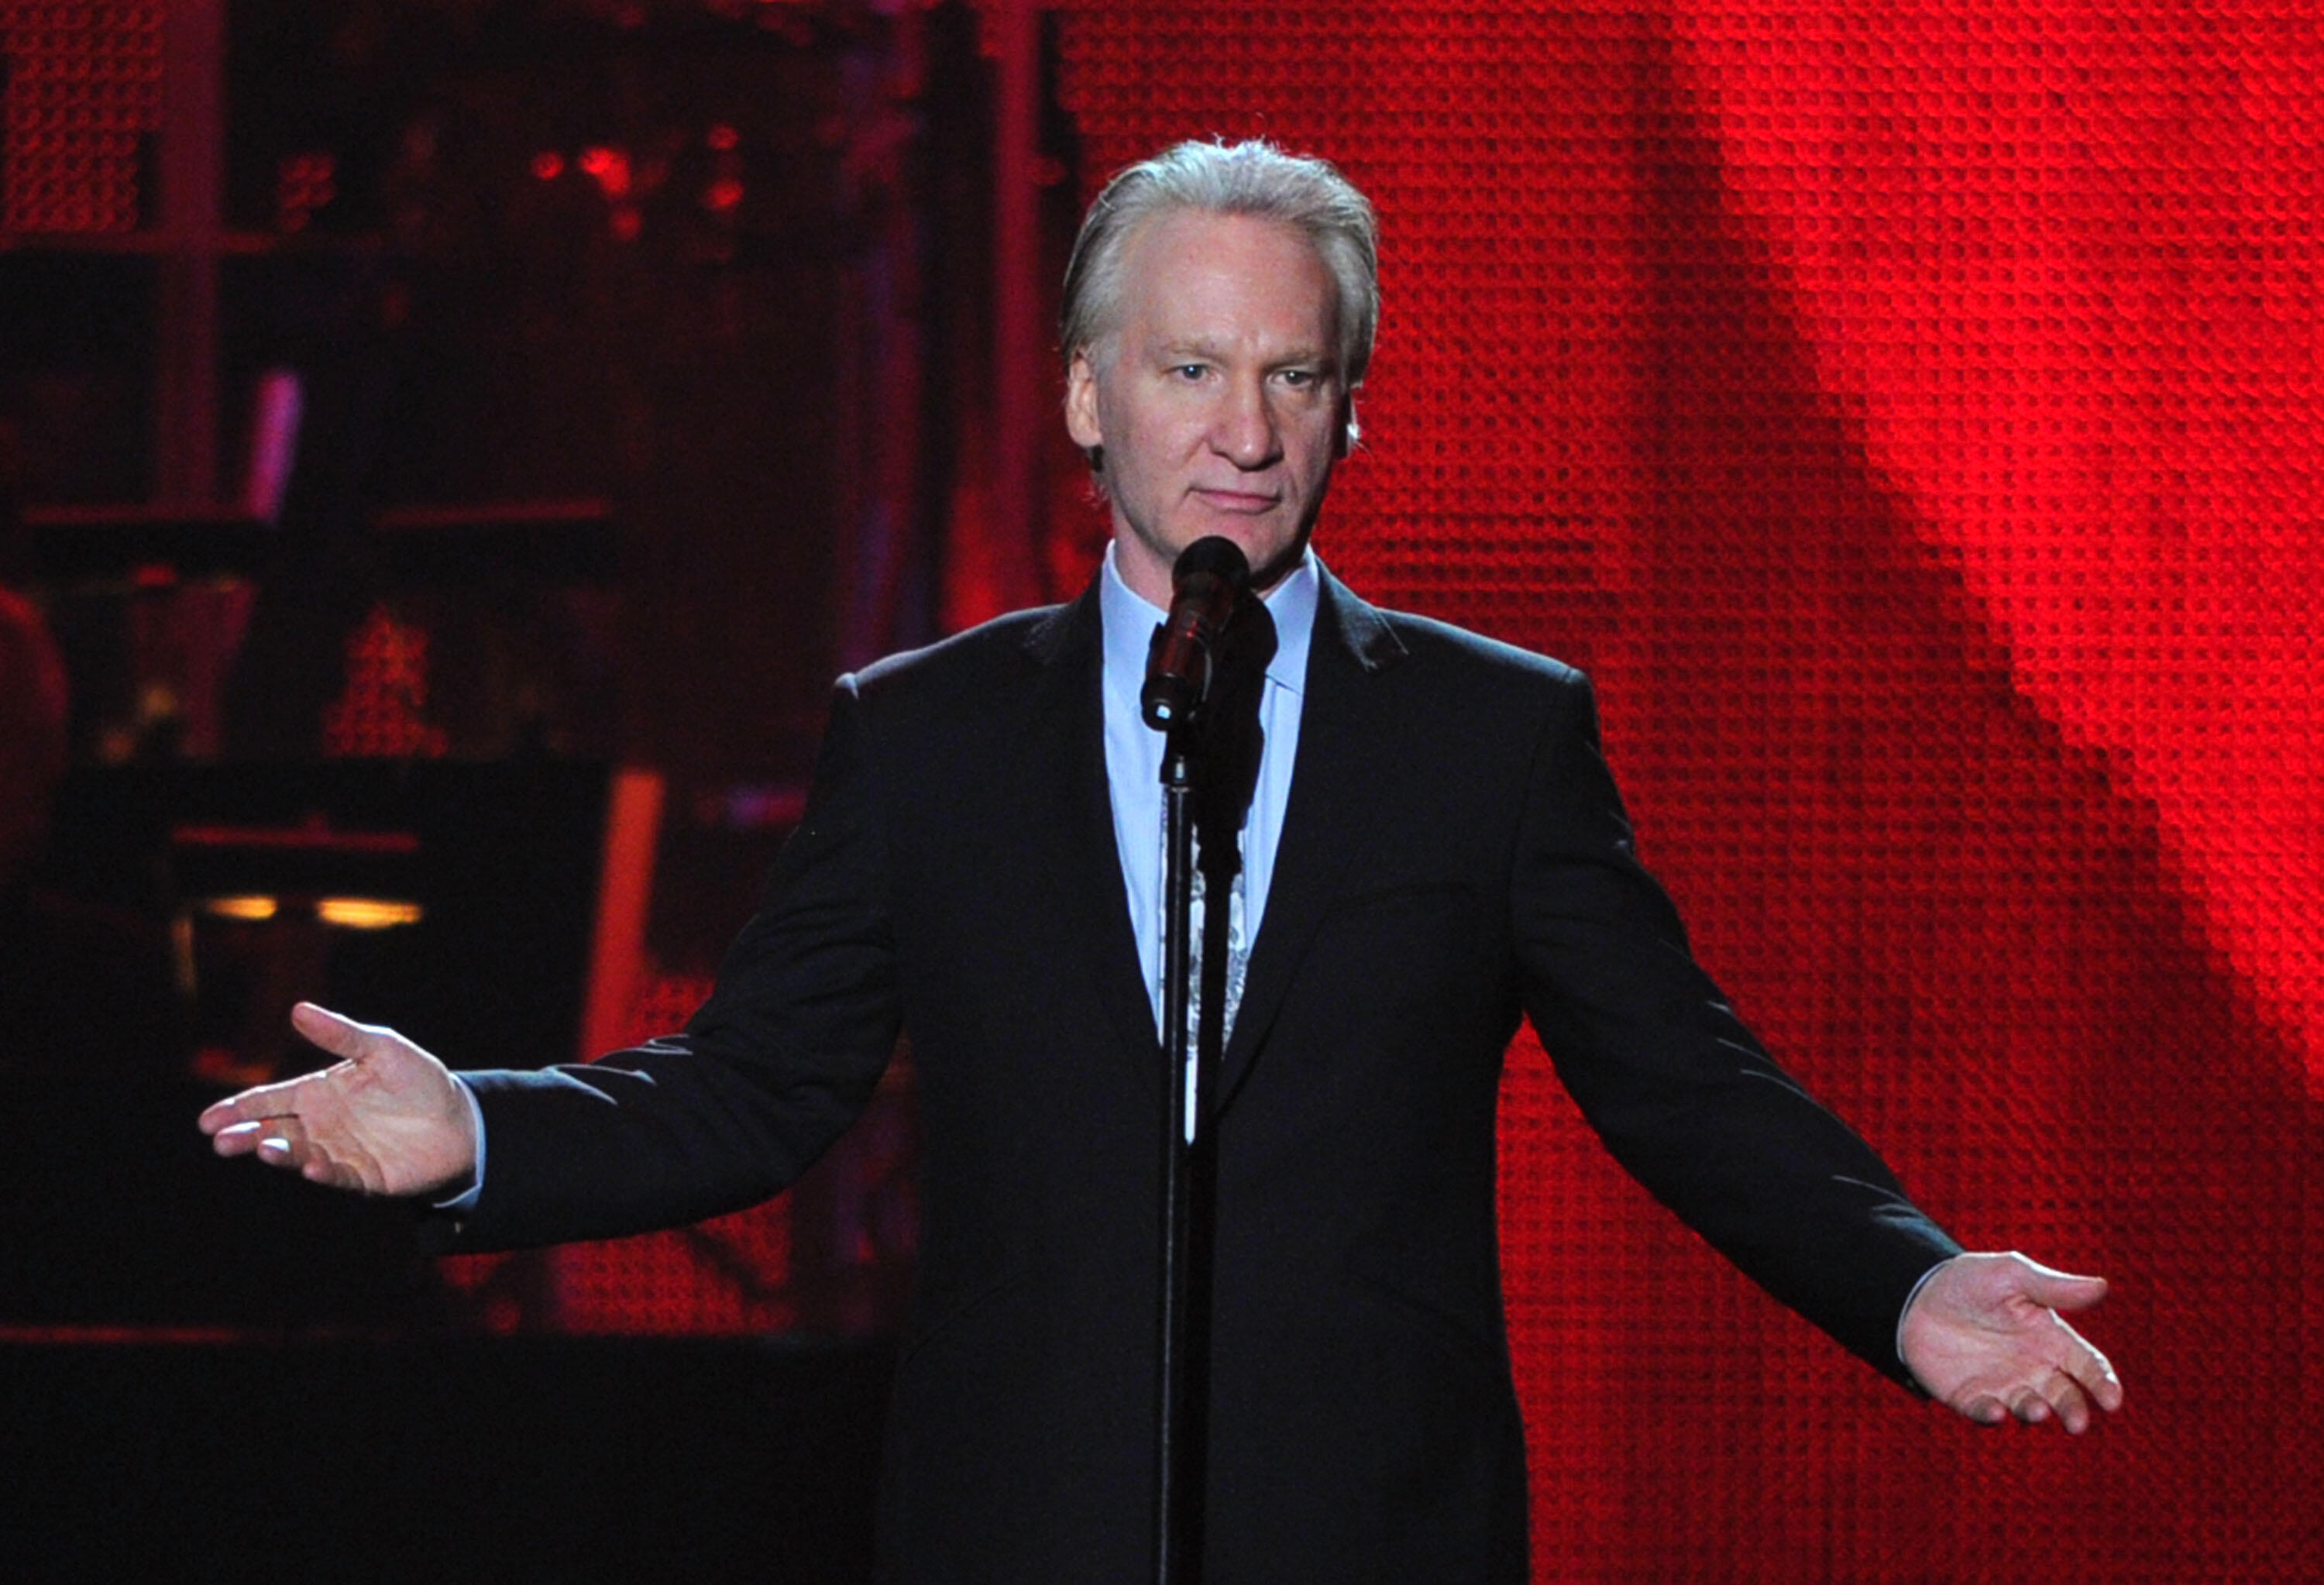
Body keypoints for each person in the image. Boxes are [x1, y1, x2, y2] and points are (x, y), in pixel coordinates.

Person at [203, 139, 2122, 1581]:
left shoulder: (1489, 734)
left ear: (1352, 408)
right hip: (1024, 1521)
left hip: (1375, 1525)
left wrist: (1902, 1282)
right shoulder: (930, 735)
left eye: (1295, 375)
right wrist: (484, 1129)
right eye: (1192, 369)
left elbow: (1683, 1081)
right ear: (1086, 397)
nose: (1245, 433)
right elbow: (758, 1083)